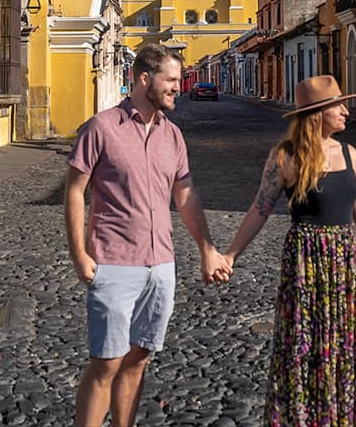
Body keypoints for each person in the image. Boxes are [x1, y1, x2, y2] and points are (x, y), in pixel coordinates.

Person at [65, 43, 231, 427]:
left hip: (161, 265)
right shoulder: (101, 128)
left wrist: (207, 248)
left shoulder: (173, 136)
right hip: (113, 262)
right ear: (144, 79)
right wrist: (80, 254)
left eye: (178, 80)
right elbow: (75, 190)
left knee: (139, 358)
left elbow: (185, 195)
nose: (178, 86)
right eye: (171, 80)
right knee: (106, 363)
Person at [221, 75, 356, 427]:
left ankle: (338, 417)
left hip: (344, 259)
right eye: (338, 105)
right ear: (319, 113)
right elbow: (260, 208)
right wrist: (230, 255)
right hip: (305, 258)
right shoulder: (285, 157)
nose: (346, 111)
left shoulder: (350, 153)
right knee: (303, 340)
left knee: (342, 340)